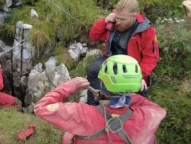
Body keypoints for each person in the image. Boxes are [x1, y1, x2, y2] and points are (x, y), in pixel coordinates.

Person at [34, 55, 166, 144]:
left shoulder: (81, 113)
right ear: (136, 86)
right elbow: (148, 105)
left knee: (68, 136)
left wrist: (70, 85)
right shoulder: (149, 115)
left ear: (102, 83)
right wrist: (124, 94)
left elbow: (41, 108)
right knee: (151, 139)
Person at [87, 0, 159, 105]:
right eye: (117, 17)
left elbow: (151, 57)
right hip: (112, 58)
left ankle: (130, 111)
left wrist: (139, 75)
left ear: (134, 16)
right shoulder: (113, 21)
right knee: (94, 70)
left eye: (123, 19)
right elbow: (93, 36)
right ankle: (96, 105)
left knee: (137, 90)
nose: (118, 22)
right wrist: (105, 21)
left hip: (133, 65)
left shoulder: (146, 30)